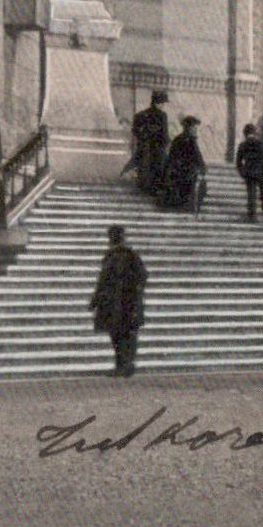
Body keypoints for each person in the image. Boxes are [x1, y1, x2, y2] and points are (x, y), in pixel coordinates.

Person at [89, 225, 147, 377]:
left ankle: (126, 365)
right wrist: (95, 300)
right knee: (117, 335)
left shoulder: (129, 255)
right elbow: (103, 280)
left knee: (124, 335)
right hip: (115, 303)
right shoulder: (112, 255)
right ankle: (121, 365)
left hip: (125, 303)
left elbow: (142, 276)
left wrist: (131, 290)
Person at [159, 115, 207, 212]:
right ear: (187, 128)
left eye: (195, 128)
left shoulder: (188, 140)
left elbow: (198, 157)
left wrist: (202, 168)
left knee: (198, 186)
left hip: (187, 171)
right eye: (193, 128)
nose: (195, 130)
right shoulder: (183, 140)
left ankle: (189, 206)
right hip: (182, 172)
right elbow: (174, 158)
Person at [128, 89, 169, 196]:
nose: (163, 105)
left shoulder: (142, 115)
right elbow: (164, 133)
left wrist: (142, 138)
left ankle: (145, 185)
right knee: (158, 167)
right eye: (162, 103)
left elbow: (135, 130)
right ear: (157, 103)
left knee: (145, 166)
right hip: (157, 147)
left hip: (146, 146)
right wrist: (165, 143)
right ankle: (154, 188)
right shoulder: (162, 115)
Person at [235, 121, 263, 224]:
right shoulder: (260, 144)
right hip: (262, 173)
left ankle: (252, 216)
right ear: (254, 133)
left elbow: (238, 162)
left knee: (251, 194)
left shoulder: (242, 145)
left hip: (250, 173)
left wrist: (243, 173)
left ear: (244, 134)